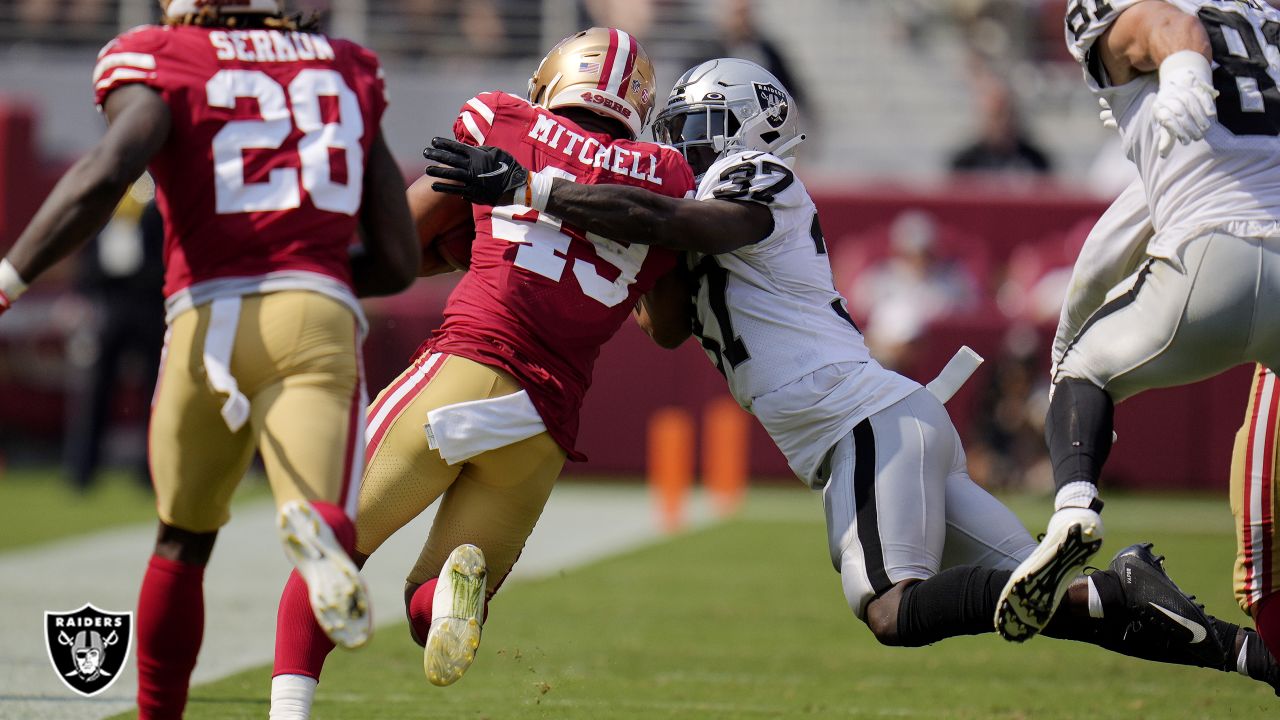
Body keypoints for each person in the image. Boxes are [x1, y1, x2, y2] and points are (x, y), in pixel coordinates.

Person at [425, 57, 1280, 693]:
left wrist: (540, 190)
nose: (670, 143)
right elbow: (664, 322)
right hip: (886, 424)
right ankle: (1245, 653)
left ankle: (1125, 586)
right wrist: (620, 239)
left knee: (891, 611)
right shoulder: (700, 206)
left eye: (685, 126)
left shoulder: (758, 177)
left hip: (862, 423)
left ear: (726, 125)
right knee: (1055, 602)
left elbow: (687, 218)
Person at [0, 1, 419, 717]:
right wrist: (318, 275)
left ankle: (158, 713)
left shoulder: (163, 55)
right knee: (325, 513)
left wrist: (9, 279)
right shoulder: (346, 68)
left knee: (181, 540)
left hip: (203, 319)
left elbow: (106, 173)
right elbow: (398, 258)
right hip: (312, 312)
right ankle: (315, 538)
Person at [268, 27, 697, 719]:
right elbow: (667, 328)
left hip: (462, 374)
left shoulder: (503, 121)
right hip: (545, 428)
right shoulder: (670, 181)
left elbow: (398, 245)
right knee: (427, 610)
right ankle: (448, 594)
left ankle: (288, 712)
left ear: (555, 77)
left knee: (329, 548)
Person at [997, 0, 1280, 645]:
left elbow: (1170, 28)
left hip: (1215, 261)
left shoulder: (1145, 35)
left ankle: (1072, 507)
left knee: (1086, 370)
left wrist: (1180, 71)